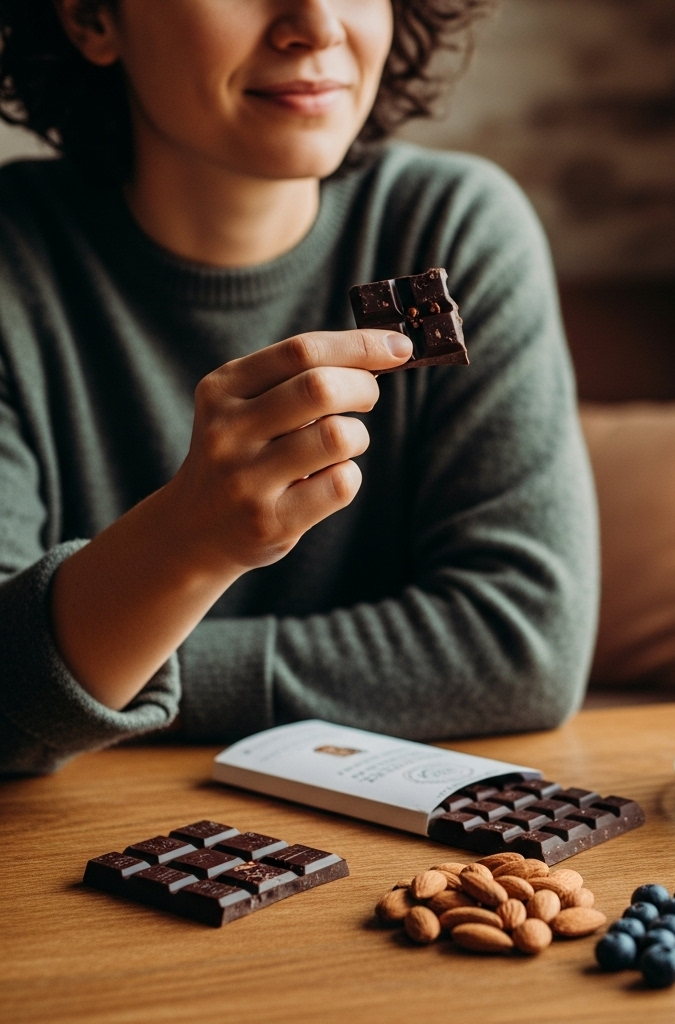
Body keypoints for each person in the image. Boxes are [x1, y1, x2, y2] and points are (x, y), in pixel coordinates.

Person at [0, 0, 598, 774]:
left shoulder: (456, 229)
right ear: (89, 18)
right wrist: (189, 537)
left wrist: (114, 664)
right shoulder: (14, 265)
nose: (316, 24)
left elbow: (522, 649)